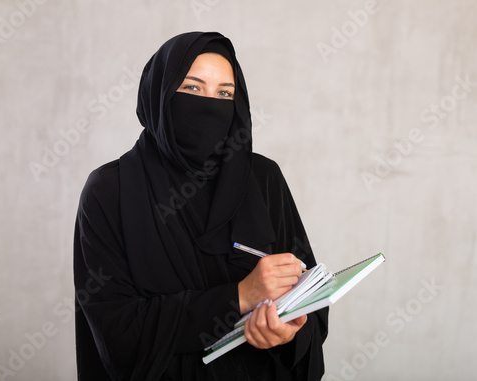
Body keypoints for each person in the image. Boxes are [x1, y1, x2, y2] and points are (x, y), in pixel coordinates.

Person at [74, 31, 328, 380]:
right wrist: (240, 296)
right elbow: (117, 336)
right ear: (158, 96)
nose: (210, 105)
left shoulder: (263, 178)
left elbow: (310, 299)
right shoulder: (110, 191)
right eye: (192, 88)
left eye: (225, 93)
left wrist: (289, 331)